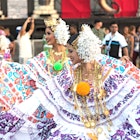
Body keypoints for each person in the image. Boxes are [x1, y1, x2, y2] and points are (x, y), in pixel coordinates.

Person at [0, 18, 70, 139]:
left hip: (67, 103)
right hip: (47, 105)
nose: (45, 37)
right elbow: (26, 71)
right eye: (45, 33)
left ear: (58, 34)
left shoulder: (71, 55)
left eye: (48, 33)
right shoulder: (45, 55)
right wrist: (5, 66)